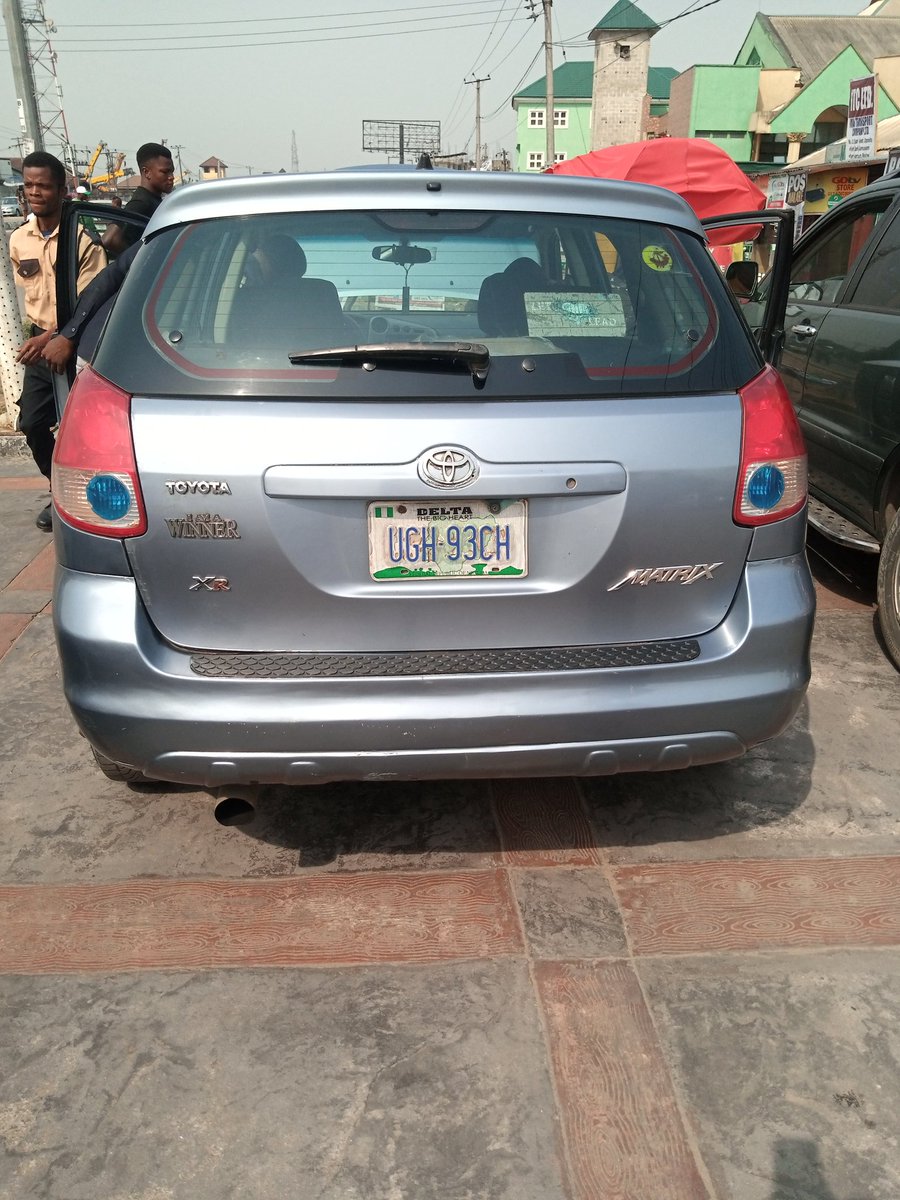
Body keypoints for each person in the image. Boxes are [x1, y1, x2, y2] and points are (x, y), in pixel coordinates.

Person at [9, 151, 106, 530]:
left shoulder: (81, 238)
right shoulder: (20, 240)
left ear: (62, 190)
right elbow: (35, 298)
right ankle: (58, 491)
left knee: (81, 427)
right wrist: (42, 336)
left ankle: (90, 498)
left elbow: (90, 300)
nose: (35, 192)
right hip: (39, 342)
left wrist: (55, 336)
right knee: (32, 422)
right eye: (29, 184)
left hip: (78, 340)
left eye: (44, 185)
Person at [42, 241, 140, 374]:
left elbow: (105, 282)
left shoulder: (160, 237)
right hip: (100, 354)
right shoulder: (161, 239)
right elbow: (104, 284)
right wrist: (66, 336)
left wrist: (65, 335)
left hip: (111, 354)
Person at [102, 142, 174, 256]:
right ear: (147, 172)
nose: (171, 177)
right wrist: (140, 262)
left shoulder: (153, 200)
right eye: (165, 172)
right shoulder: (141, 203)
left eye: (172, 171)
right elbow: (110, 240)